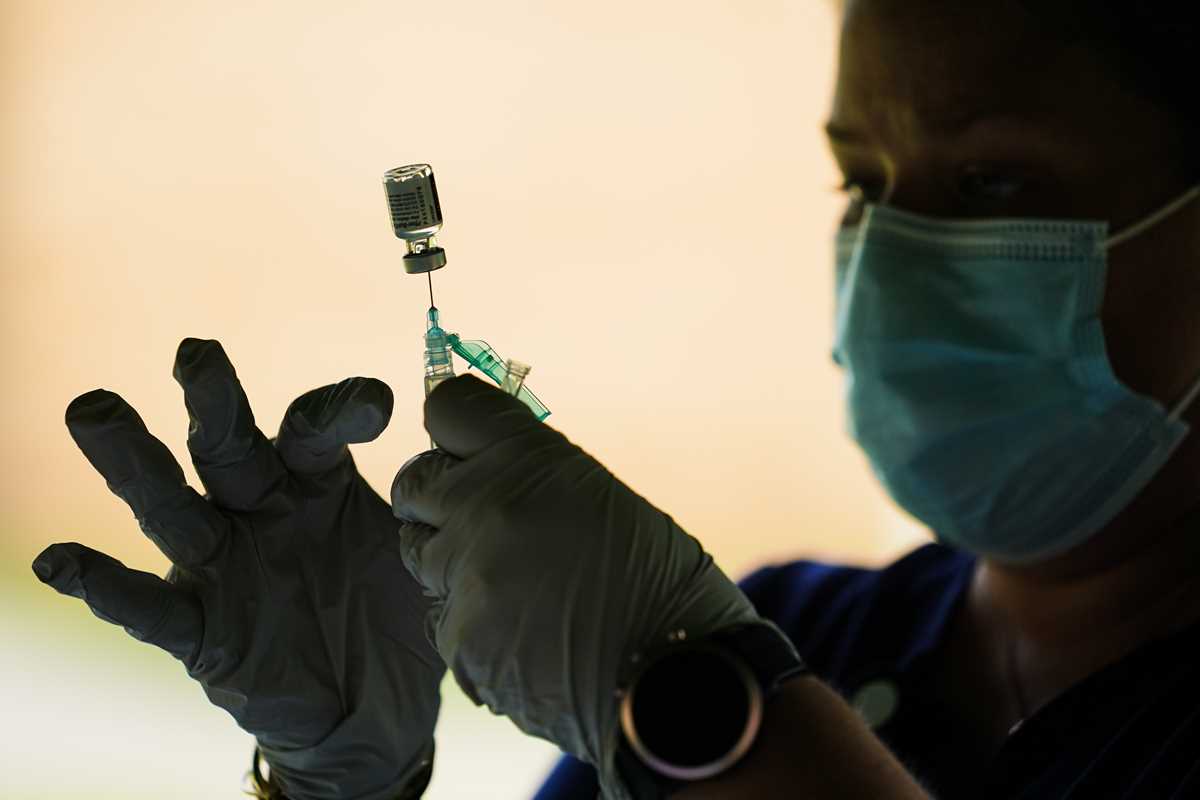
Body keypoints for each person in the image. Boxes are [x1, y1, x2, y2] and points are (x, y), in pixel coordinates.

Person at [31, 1, 1200, 797]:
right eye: (861, 180)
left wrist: (712, 708)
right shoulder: (806, 629)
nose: (891, 258)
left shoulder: (709, 664)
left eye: (993, 179)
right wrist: (344, 783)